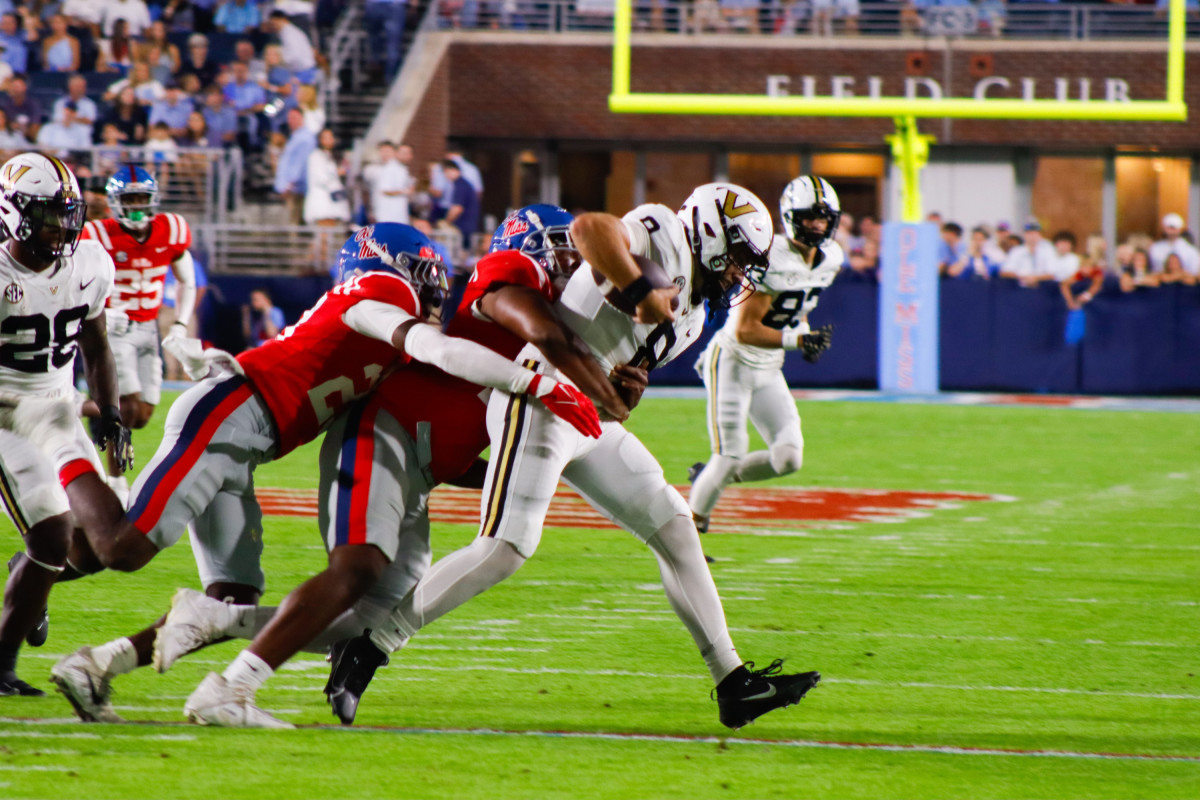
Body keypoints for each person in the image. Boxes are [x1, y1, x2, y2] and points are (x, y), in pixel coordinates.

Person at [44, 224, 599, 723]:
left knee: (228, 601)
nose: (434, 290)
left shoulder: (385, 329)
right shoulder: (379, 294)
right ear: (388, 266)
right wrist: (538, 384)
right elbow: (435, 348)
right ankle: (59, 434)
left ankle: (97, 666)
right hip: (228, 420)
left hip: (248, 438)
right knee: (122, 548)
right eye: (424, 275)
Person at [325, 183, 822, 731]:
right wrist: (637, 287)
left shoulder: (696, 316)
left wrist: (628, 390)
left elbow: (620, 363)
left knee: (675, 525)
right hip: (540, 395)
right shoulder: (665, 233)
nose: (741, 276)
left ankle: (733, 682)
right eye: (741, 260)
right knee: (505, 548)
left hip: (588, 417)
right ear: (710, 233)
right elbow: (590, 230)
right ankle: (368, 647)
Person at [0, 152, 129, 696]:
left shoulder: (91, 263)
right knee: (54, 534)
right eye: (48, 215)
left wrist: (112, 415)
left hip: (59, 404)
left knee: (107, 544)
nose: (61, 227)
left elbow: (97, 346)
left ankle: (25, 572)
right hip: (6, 411)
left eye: (66, 214)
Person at [687, 176, 839, 539]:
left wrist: (802, 333)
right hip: (734, 361)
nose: (817, 224)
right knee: (730, 454)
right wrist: (798, 342)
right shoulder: (772, 257)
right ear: (790, 217)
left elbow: (797, 307)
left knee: (788, 457)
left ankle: (711, 477)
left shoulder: (832, 258)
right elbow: (744, 330)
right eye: (809, 217)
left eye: (823, 217)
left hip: (769, 367)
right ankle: (689, 535)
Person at [79, 167, 197, 506]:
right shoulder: (97, 234)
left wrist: (181, 323)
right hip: (113, 329)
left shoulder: (171, 230)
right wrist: (100, 310)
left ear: (152, 200)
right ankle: (115, 481)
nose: (134, 206)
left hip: (149, 328)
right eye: (128, 199)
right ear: (116, 202)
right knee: (125, 406)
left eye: (140, 199)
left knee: (143, 414)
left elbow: (188, 281)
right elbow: (75, 276)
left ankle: (80, 406)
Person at [274, 107, 315, 225]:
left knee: (295, 222)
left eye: (294, 118)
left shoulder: (305, 138)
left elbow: (301, 163)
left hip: (296, 188)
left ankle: (297, 243)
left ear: (302, 118)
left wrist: (290, 184)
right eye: (290, 118)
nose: (291, 121)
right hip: (292, 187)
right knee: (293, 221)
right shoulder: (295, 136)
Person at [365, 140, 413, 224]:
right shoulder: (388, 169)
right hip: (388, 216)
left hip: (397, 215)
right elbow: (385, 190)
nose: (385, 154)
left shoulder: (399, 168)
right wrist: (406, 191)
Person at [999, 219, 1058, 285]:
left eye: (1034, 233)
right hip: (1020, 286)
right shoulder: (1017, 251)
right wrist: (1023, 277)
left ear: (1040, 234)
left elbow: (1053, 273)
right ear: (1024, 235)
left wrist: (1035, 278)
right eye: (1029, 233)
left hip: (1042, 286)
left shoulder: (1047, 250)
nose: (1032, 236)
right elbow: (1005, 272)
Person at [1148, 212, 1200, 277]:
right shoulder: (1155, 248)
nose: (1170, 231)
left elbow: (1193, 274)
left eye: (1173, 228)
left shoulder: (1191, 251)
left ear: (1179, 229)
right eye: (1168, 228)